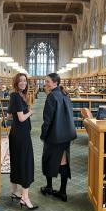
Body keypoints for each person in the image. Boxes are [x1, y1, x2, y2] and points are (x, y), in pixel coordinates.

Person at [40, 73, 77, 202]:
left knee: (48, 160)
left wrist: (43, 134)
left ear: (55, 82)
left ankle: (49, 187)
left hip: (54, 136)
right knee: (64, 162)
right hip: (66, 135)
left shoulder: (51, 96)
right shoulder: (65, 95)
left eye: (48, 82)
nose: (46, 84)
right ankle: (62, 191)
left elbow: (47, 120)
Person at [7, 73, 38, 210]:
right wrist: (30, 112)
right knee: (26, 163)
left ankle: (14, 191)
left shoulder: (16, 96)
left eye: (25, 81)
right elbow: (21, 118)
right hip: (21, 136)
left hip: (16, 134)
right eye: (20, 81)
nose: (23, 83)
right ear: (16, 82)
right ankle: (25, 197)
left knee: (16, 161)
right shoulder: (16, 96)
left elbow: (9, 116)